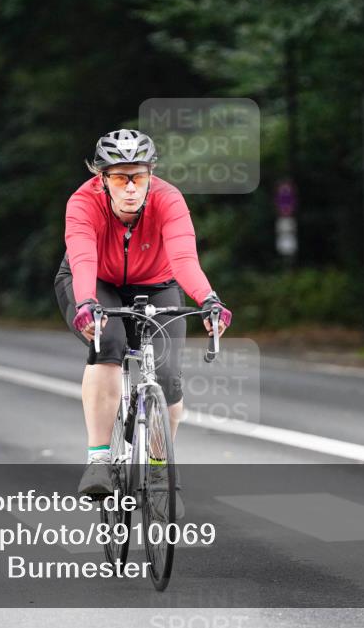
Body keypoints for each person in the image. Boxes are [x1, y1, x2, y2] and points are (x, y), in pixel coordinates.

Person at [54, 129, 232, 511]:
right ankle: (99, 460)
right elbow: (83, 258)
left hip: (157, 283)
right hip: (95, 283)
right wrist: (87, 304)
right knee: (109, 344)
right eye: (121, 178)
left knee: (167, 375)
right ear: (102, 179)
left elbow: (184, 259)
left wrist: (209, 300)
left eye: (139, 176)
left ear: (151, 173)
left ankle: (158, 469)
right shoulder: (83, 202)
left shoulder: (168, 199)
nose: (131, 187)